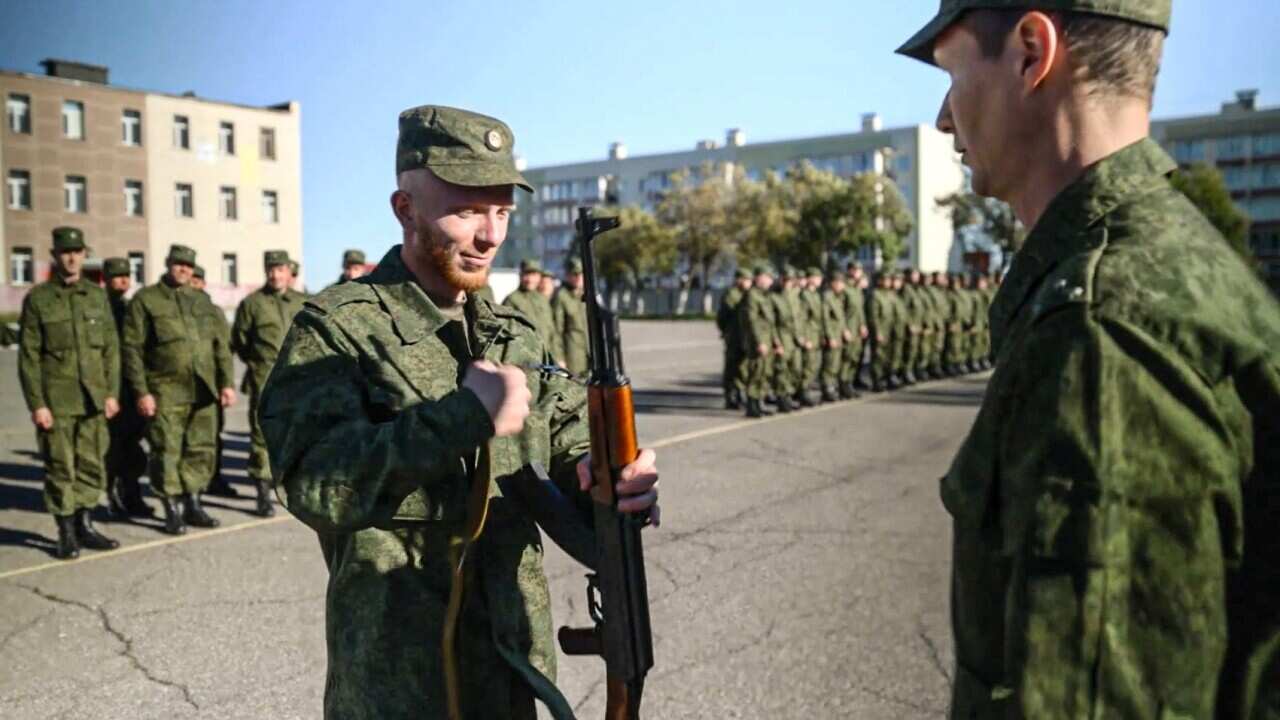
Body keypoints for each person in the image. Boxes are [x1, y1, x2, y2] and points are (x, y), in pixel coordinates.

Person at [898, 2, 1280, 717]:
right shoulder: (1178, 261)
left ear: (1030, 51)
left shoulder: (1100, 330)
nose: (944, 119)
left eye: (952, 75)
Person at [258, 105, 660, 720]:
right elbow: (314, 483)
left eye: (502, 212)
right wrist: (462, 417)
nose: (491, 235)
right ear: (405, 209)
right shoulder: (340, 330)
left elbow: (569, 440)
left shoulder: (513, 336)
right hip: (402, 687)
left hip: (514, 674)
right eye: (468, 210)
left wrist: (614, 477)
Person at [17, 227, 121, 559]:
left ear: (84, 254)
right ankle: (65, 532)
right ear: (55, 256)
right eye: (65, 252)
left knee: (91, 464)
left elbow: (111, 350)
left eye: (77, 252)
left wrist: (111, 393)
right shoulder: (39, 299)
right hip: (57, 401)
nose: (72, 258)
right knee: (60, 467)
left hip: (93, 398)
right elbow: (29, 356)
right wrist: (37, 403)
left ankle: (85, 524)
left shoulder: (96, 296)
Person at [123, 245, 237, 535]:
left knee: (201, 448)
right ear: (168, 264)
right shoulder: (146, 300)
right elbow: (132, 349)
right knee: (167, 450)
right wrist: (141, 391)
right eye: (178, 263)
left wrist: (226, 383)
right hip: (165, 390)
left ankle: (193, 503)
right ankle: (171, 508)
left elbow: (221, 347)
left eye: (188, 265)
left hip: (203, 390)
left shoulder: (202, 301)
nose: (184, 269)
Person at [230, 250, 306, 516]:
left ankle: (295, 486)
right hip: (264, 378)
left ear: (288, 271)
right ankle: (263, 491)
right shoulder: (252, 304)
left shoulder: (302, 302)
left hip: (299, 378)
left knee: (297, 433)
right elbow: (240, 341)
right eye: (271, 269)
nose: (275, 274)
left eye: (280, 269)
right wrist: (259, 363)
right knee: (262, 435)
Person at [738, 263, 779, 418]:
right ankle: (752, 404)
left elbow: (770, 322)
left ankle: (760, 401)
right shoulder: (752, 296)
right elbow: (752, 321)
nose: (770, 281)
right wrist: (759, 342)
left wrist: (776, 341)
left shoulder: (765, 296)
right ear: (759, 278)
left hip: (767, 340)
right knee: (756, 372)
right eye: (767, 277)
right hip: (757, 341)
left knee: (765, 372)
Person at [503, 258, 558, 361]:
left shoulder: (542, 299)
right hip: (525, 359)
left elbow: (552, 331)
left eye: (534, 275)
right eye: (527, 274)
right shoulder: (512, 300)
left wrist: (558, 357)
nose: (530, 279)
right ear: (520, 275)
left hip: (546, 357)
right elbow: (506, 334)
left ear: (539, 277)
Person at [717, 267, 752, 410]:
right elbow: (722, 317)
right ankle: (730, 396)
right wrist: (726, 332)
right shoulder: (732, 294)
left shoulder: (747, 294)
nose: (749, 283)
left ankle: (739, 393)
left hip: (743, 336)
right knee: (732, 367)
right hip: (733, 336)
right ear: (739, 280)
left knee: (743, 367)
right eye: (746, 280)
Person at [549, 257, 588, 377]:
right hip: (573, 353)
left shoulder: (587, 294)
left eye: (581, 274)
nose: (578, 277)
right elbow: (556, 330)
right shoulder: (562, 296)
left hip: (589, 350)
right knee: (576, 384)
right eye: (574, 274)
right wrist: (559, 357)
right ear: (568, 275)